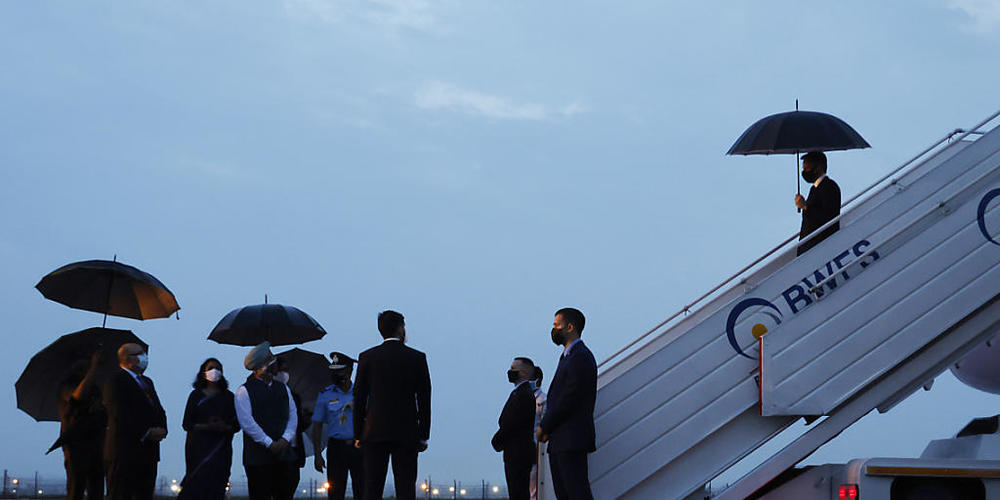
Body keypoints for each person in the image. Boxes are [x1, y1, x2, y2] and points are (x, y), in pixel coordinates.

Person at [354, 310, 432, 500]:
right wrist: (423, 434)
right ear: (400, 328)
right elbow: (424, 397)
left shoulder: (367, 357)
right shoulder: (416, 358)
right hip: (407, 432)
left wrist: (358, 433)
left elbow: (359, 397)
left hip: (374, 432)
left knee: (372, 488)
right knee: (406, 488)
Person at [537, 308, 596, 500]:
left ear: (570, 327)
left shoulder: (580, 357)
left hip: (571, 440)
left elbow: (568, 398)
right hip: (562, 440)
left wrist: (545, 425)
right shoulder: (569, 357)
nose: (553, 330)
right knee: (565, 493)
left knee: (576, 492)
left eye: (556, 325)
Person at [235, 342, 299, 500]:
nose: (275, 363)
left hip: (285, 456)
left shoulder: (283, 388)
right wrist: (268, 443)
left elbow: (293, 416)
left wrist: (285, 439)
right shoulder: (244, 391)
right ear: (262, 365)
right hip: (257, 458)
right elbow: (247, 422)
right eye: (271, 360)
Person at [103, 343, 168, 500]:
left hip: (148, 452)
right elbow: (120, 414)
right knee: (121, 494)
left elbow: (158, 409)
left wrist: (162, 429)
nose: (143, 357)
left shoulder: (147, 382)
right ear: (126, 358)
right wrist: (146, 432)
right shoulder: (116, 381)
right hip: (125, 451)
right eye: (138, 353)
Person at [178, 358, 239, 500]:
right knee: (196, 484)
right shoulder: (196, 395)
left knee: (217, 486)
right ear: (203, 372)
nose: (215, 371)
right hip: (198, 448)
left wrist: (223, 426)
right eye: (211, 368)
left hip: (220, 449)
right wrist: (206, 426)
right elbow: (187, 424)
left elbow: (236, 425)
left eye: (218, 368)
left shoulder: (229, 397)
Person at [312, 352, 364, 500]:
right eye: (333, 371)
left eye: (339, 370)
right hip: (336, 448)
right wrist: (317, 454)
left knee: (362, 490)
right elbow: (317, 424)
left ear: (349, 371)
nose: (335, 374)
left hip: (359, 447)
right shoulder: (325, 394)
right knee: (335, 491)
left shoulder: (361, 393)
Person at [55, 354, 106, 500]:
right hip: (76, 444)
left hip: (96, 442)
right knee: (76, 488)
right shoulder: (67, 385)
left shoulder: (95, 388)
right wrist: (94, 368)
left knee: (96, 489)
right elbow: (77, 397)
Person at [492, 357, 537, 500]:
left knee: (518, 492)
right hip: (516, 452)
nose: (510, 372)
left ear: (523, 373)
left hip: (518, 453)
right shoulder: (520, 393)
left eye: (513, 369)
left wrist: (497, 440)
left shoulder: (523, 395)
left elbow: (510, 422)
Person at [273, 358, 309, 500]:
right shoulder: (268, 394)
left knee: (290, 486)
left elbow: (298, 425)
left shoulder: (294, 396)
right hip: (275, 448)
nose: (284, 373)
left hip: (293, 450)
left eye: (286, 370)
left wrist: (305, 420)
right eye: (281, 369)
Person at [794, 151, 842, 255]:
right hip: (809, 247)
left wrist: (806, 206)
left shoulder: (830, 187)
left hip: (820, 247)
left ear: (818, 167)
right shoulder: (814, 189)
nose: (804, 172)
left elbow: (829, 217)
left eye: (807, 168)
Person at [529, 366, 547, 500]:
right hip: (525, 450)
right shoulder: (524, 399)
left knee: (534, 491)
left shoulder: (542, 401)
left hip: (536, 450)